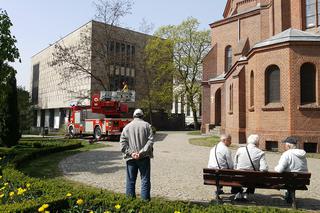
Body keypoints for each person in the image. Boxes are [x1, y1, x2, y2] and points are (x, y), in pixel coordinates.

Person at [120, 109, 154, 201]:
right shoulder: (147, 126)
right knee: (145, 180)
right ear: (142, 116)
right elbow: (150, 141)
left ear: (133, 116)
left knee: (130, 180)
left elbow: (122, 144)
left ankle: (130, 202)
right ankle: (145, 202)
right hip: (144, 158)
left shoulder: (127, 127)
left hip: (131, 158)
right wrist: (142, 152)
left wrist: (132, 153)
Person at [233, 134, 268, 200]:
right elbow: (264, 169)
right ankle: (248, 193)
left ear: (248, 141)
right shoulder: (260, 152)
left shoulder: (240, 150)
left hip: (239, 178)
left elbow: (234, 165)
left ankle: (239, 192)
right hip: (252, 180)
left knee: (238, 173)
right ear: (257, 142)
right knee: (255, 174)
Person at [274, 136, 308, 203]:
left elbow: (279, 170)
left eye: (285, 145)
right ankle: (289, 195)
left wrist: (275, 167)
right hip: (301, 182)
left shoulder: (287, 154)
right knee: (291, 177)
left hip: (289, 181)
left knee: (285, 177)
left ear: (289, 146)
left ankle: (288, 194)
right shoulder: (302, 155)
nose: (284, 146)